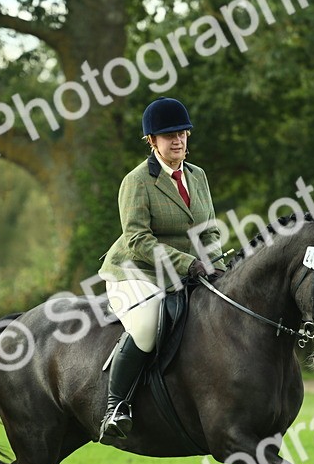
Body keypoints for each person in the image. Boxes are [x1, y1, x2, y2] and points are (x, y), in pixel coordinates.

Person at [96, 96, 226, 442]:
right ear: (152, 141)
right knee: (146, 325)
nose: (178, 140)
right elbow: (137, 239)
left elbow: (209, 231)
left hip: (186, 271)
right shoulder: (137, 181)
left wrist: (221, 270)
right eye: (169, 136)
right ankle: (115, 407)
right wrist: (189, 263)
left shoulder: (197, 176)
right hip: (135, 271)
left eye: (182, 133)